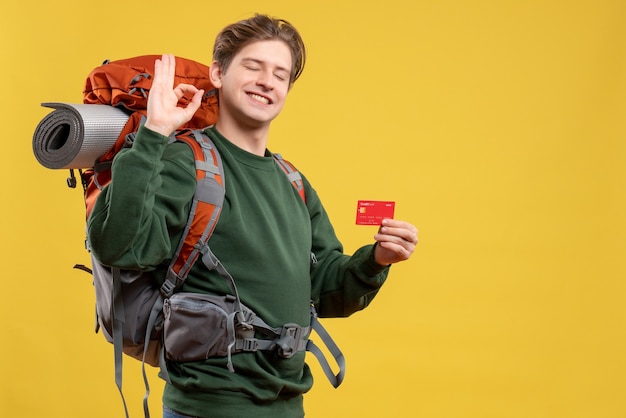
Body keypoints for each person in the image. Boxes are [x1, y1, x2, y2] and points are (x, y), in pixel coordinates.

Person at [87, 13, 418, 418]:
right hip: (207, 408)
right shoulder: (182, 160)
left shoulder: (292, 180)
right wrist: (154, 132)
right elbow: (119, 245)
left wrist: (376, 260)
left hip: (287, 406)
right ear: (218, 74)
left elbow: (325, 287)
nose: (267, 81)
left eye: (280, 74)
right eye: (253, 66)